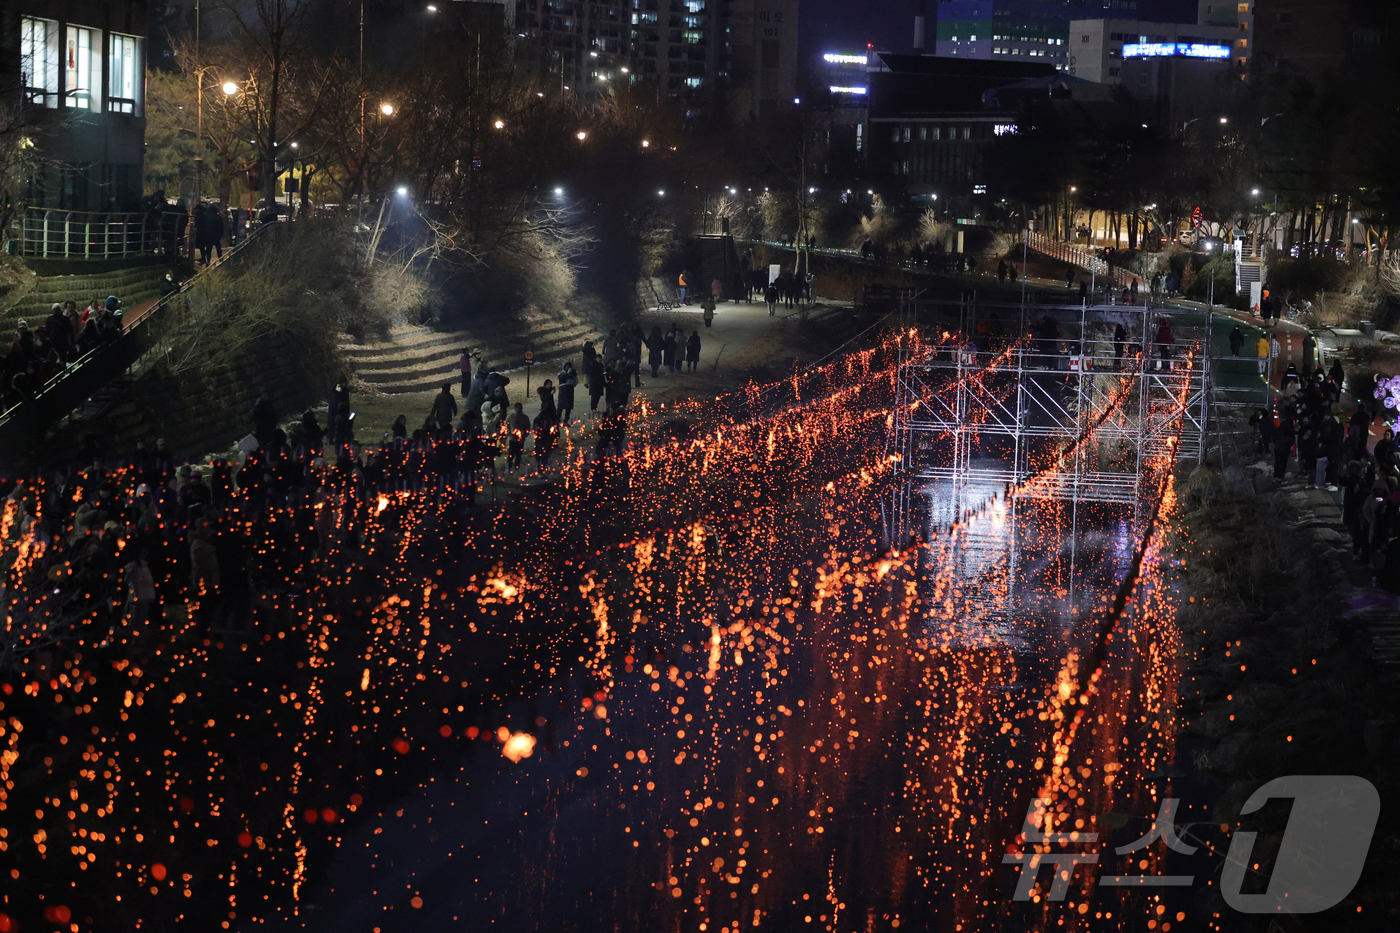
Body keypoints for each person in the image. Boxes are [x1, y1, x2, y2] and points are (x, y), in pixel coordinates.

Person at [506, 403, 530, 470]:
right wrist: (509, 433)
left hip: (521, 439)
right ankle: (508, 467)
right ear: (515, 408)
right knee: (511, 454)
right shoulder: (511, 416)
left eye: (520, 407)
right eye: (517, 407)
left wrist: (525, 434)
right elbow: (506, 425)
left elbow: (528, 426)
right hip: (512, 439)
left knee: (518, 455)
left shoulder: (525, 417)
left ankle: (517, 468)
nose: (519, 409)